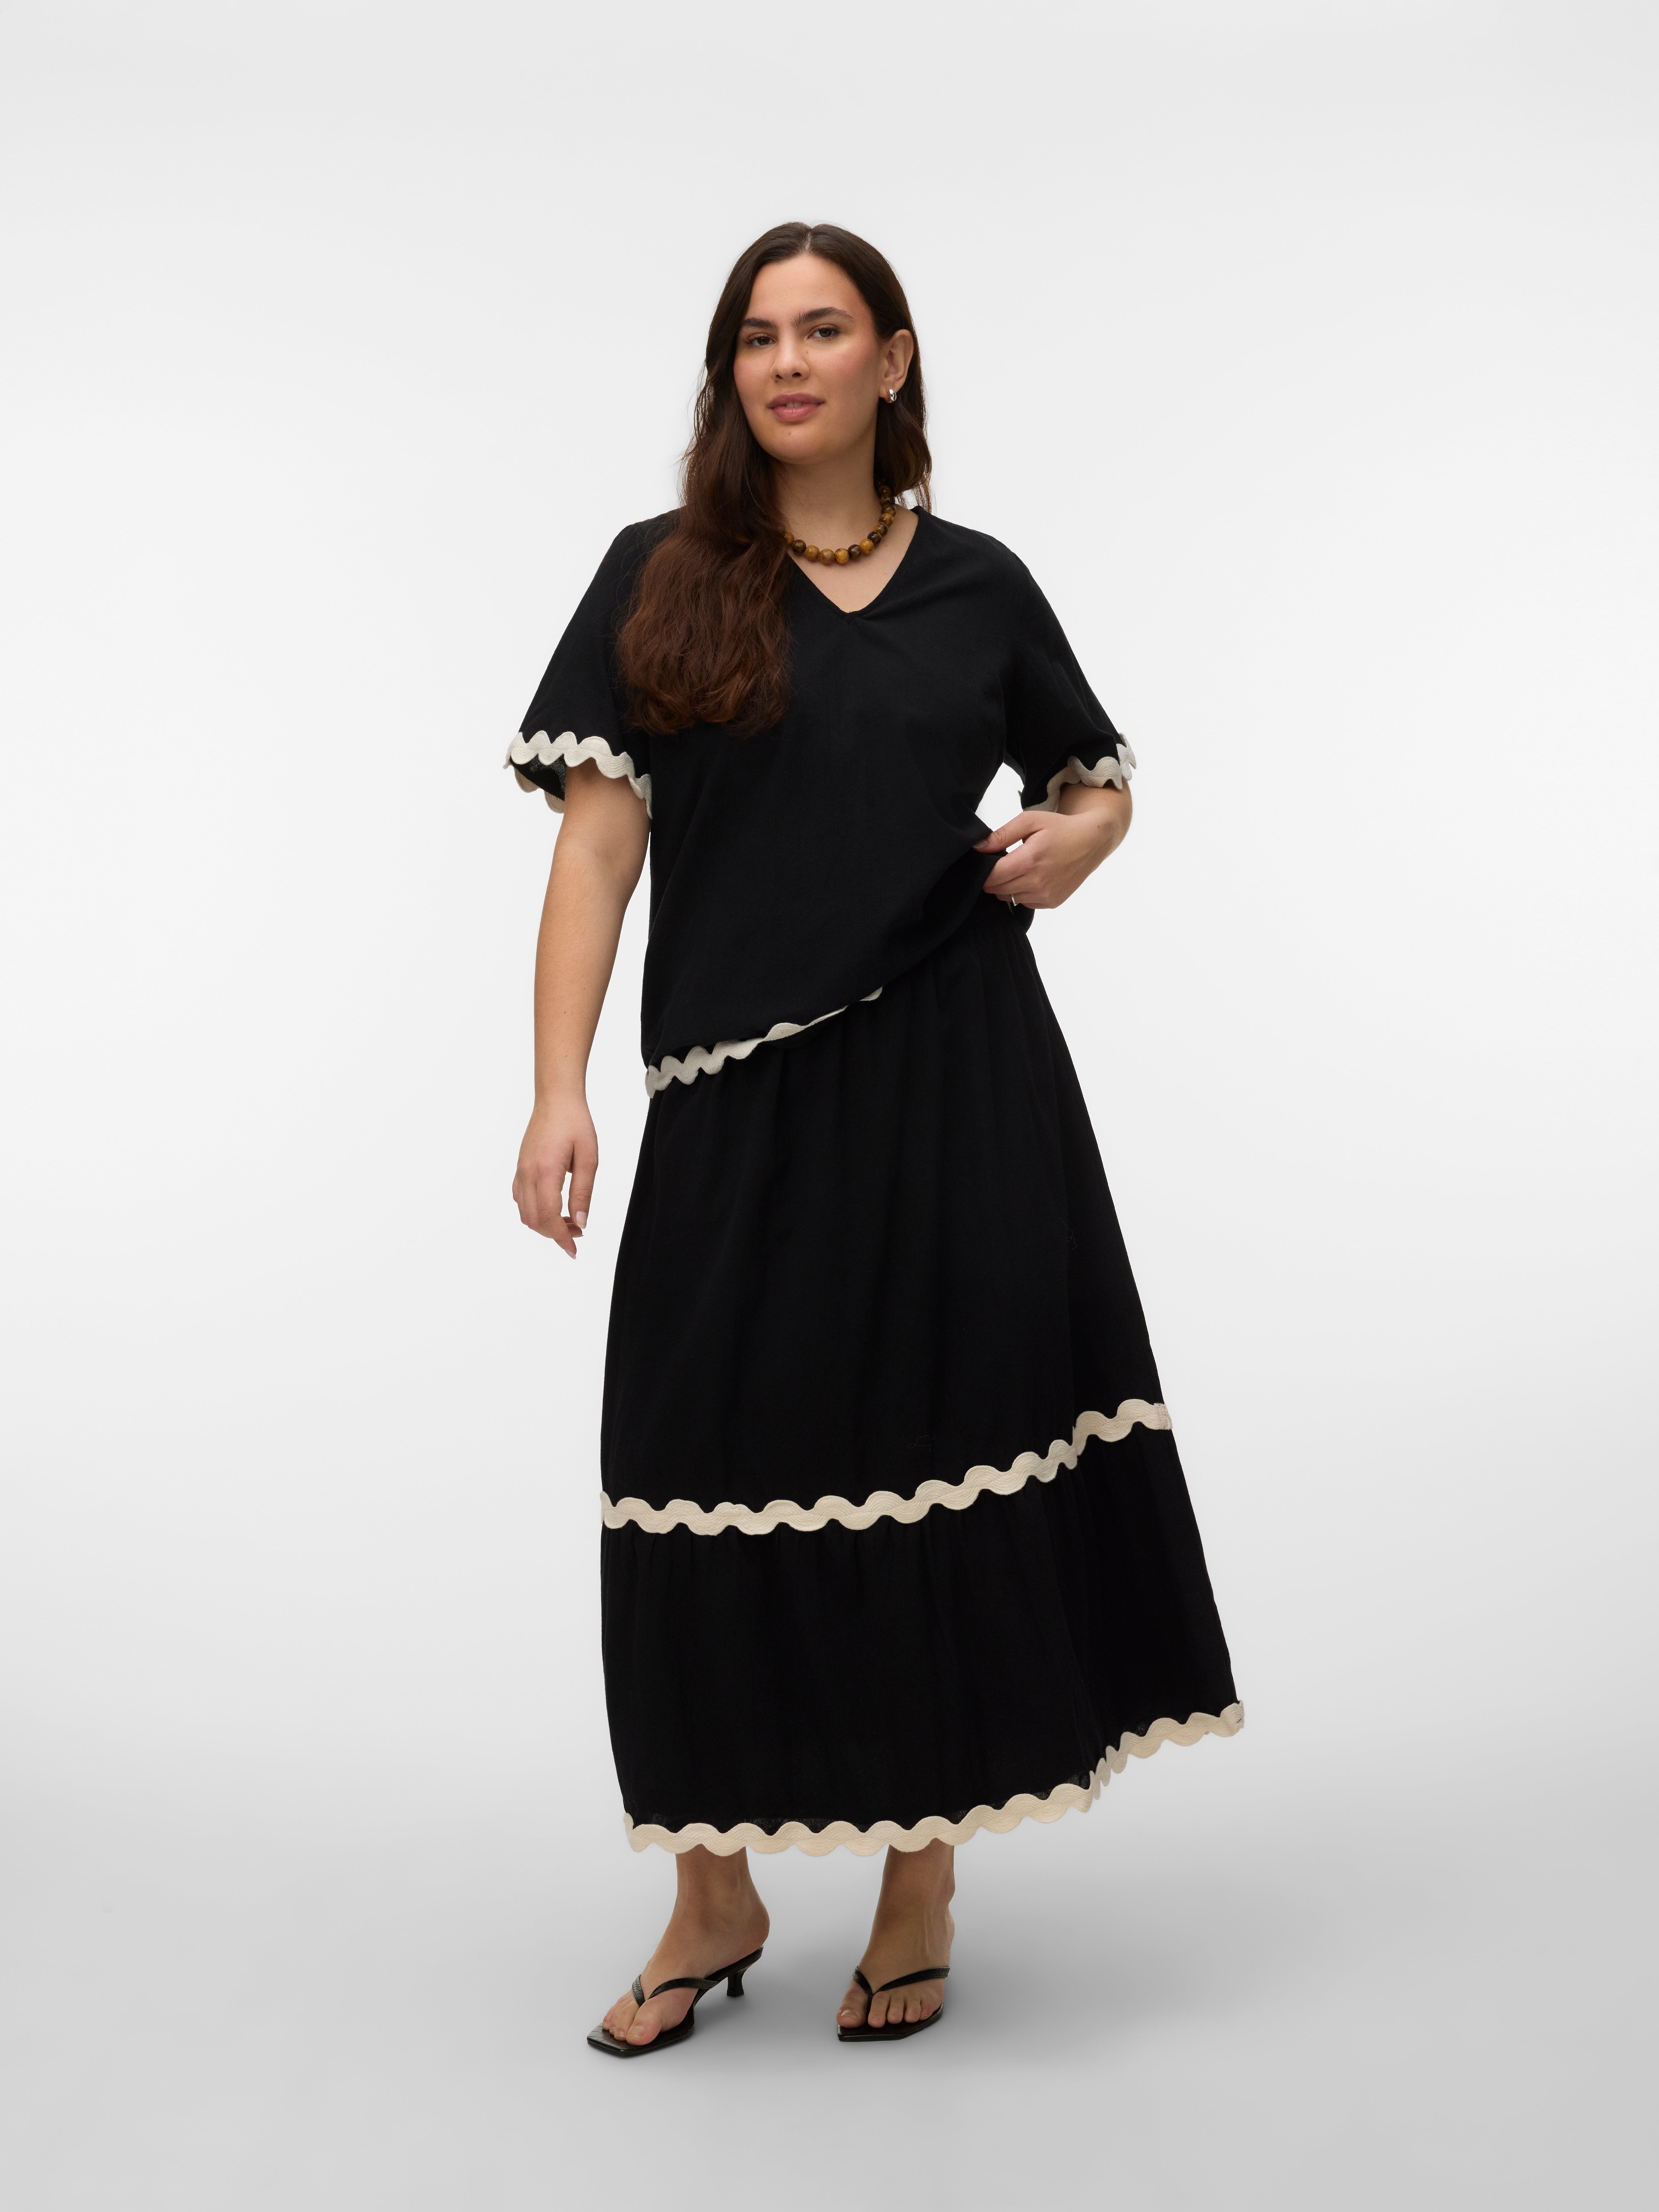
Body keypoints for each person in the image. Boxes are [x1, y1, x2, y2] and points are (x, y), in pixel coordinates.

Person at [507, 222, 1240, 2054]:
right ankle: (715, 1893)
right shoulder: (658, 574)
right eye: (756, 335)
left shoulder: (980, 585)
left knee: (939, 1445)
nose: (787, 362)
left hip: (957, 1080)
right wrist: (557, 1085)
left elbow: (1094, 782)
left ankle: (922, 1879)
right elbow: (598, 846)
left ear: (891, 361)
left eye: (824, 329)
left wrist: (1086, 839)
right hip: (734, 1101)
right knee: (691, 1464)